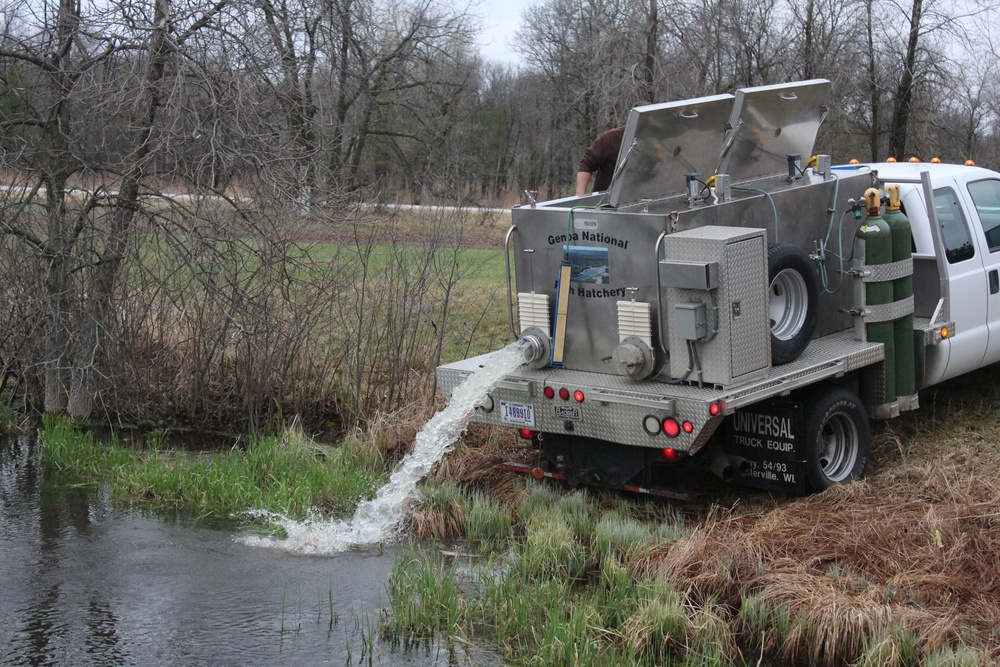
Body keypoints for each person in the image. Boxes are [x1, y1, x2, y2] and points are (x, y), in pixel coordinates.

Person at [575, 125, 625, 196]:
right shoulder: (610, 138)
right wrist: (580, 197)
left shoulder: (645, 141)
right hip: (605, 202)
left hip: (639, 201)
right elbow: (587, 164)